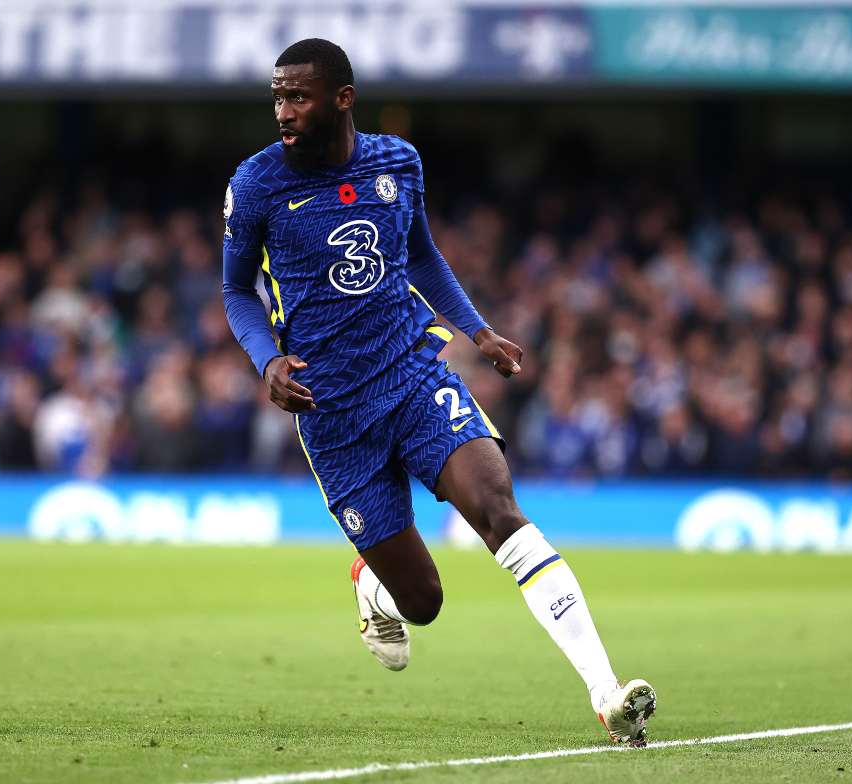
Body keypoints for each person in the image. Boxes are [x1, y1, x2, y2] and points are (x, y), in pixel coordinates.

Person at [221, 38, 656, 745]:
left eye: (298, 96)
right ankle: (373, 585)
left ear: (342, 99)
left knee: (498, 511)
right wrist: (266, 360)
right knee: (422, 602)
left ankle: (607, 695)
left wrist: (477, 331)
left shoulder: (398, 162)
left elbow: (420, 253)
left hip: (412, 375)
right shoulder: (257, 184)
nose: (283, 111)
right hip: (332, 412)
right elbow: (236, 287)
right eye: (278, 97)